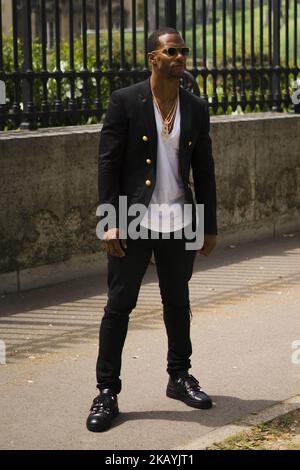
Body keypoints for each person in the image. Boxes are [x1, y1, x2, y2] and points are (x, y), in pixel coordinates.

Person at [86, 27, 217, 432]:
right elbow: (107, 163)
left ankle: (179, 377)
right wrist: (109, 222)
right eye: (171, 51)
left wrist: (208, 225)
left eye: (183, 51)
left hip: (179, 222)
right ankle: (107, 392)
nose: (179, 57)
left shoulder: (195, 108)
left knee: (178, 303)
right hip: (132, 220)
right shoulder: (125, 102)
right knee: (119, 306)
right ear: (153, 58)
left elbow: (205, 169)